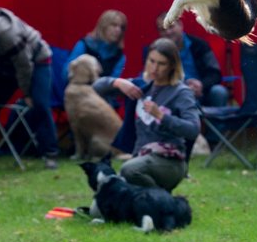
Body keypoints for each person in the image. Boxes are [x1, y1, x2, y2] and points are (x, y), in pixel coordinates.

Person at [93, 38, 200, 191]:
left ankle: (160, 200)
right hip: (140, 158)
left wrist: (162, 117)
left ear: (172, 66)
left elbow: (193, 130)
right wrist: (117, 82)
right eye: (151, 61)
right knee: (101, 207)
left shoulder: (181, 92)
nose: (154, 68)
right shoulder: (140, 86)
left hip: (170, 161)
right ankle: (153, 200)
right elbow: (96, 87)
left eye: (161, 64)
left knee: (129, 170)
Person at [0, 8, 59, 170]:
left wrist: (27, 93)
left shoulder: (8, 35)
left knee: (39, 104)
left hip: (35, 61)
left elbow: (24, 66)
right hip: (7, 65)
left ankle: (50, 153)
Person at [152, 13, 229, 108]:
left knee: (219, 92)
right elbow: (151, 79)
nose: (168, 32)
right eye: (163, 29)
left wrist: (201, 85)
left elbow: (215, 73)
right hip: (173, 95)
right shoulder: (156, 52)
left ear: (180, 25)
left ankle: (219, 123)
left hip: (201, 92)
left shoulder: (200, 45)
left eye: (171, 27)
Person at [64, 10, 127, 107]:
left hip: (102, 101)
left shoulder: (120, 57)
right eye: (114, 25)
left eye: (122, 27)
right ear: (103, 26)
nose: (118, 30)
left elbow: (111, 87)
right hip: (78, 97)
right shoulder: (84, 45)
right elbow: (66, 74)